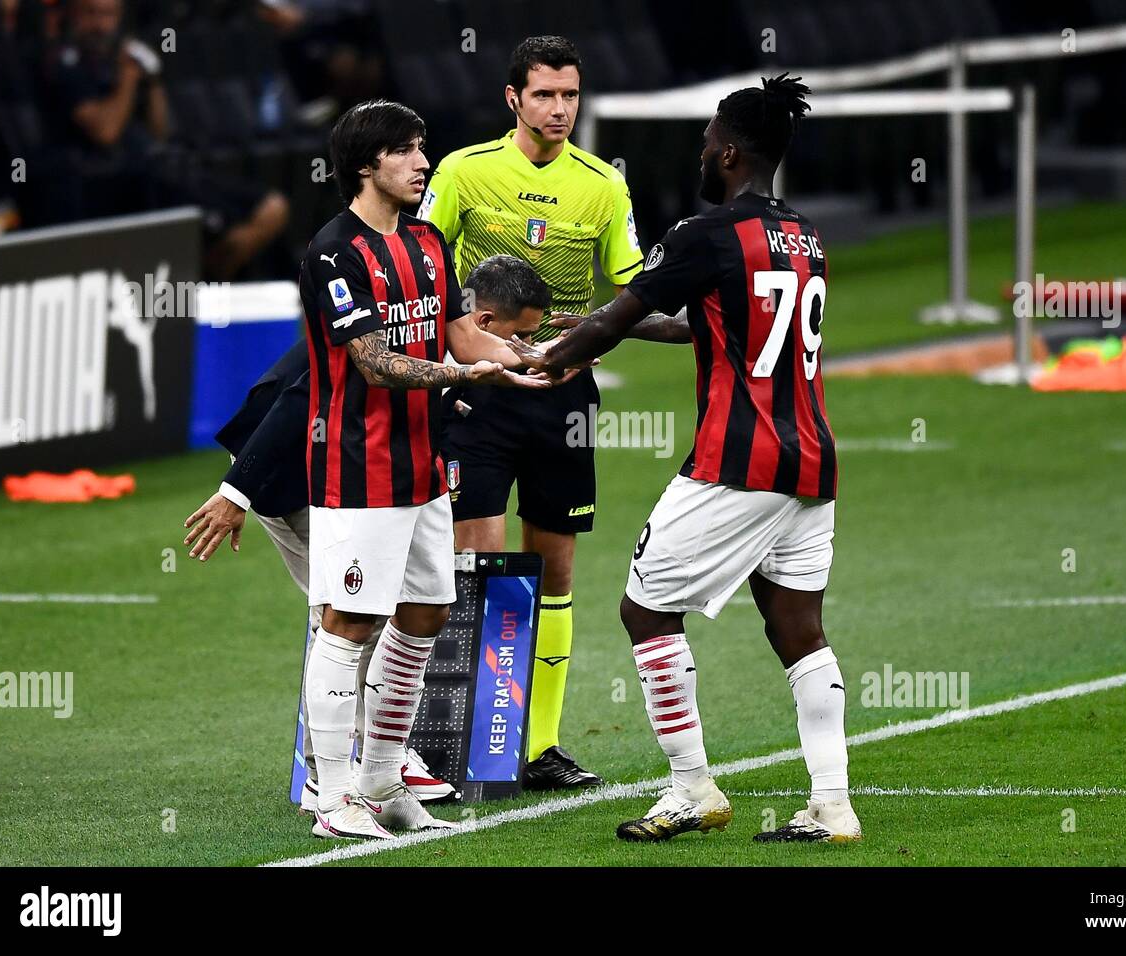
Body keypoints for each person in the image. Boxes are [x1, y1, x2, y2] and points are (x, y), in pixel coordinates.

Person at [511, 75, 862, 844]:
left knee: (644, 609)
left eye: (709, 140)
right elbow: (711, 325)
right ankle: (833, 805)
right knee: (797, 626)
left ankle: (690, 788)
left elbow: (619, 314)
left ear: (730, 151)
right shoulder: (805, 236)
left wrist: (543, 358)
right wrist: (602, 327)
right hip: (811, 460)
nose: (702, 152)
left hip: (738, 461)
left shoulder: (705, 233)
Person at [420, 35, 684, 790]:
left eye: (570, 95)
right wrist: (475, 344)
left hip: (562, 398)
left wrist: (616, 331)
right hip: (478, 394)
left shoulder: (603, 185)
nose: (560, 109)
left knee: (554, 573)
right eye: (544, 94)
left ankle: (537, 747)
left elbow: (636, 291)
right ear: (514, 98)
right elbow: (425, 272)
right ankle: (459, 747)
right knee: (478, 565)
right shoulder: (464, 173)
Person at [297, 98, 550, 839]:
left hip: (423, 464)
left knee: (428, 611)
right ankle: (334, 796)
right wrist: (460, 376)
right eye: (407, 151)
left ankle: (381, 782)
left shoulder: (429, 242)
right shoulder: (334, 253)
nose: (422, 162)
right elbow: (374, 363)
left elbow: (457, 331)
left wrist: (519, 360)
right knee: (347, 623)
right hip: (356, 466)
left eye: (422, 148)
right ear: (367, 164)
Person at [182, 340, 457, 810]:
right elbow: (288, 408)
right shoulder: (391, 333)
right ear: (484, 321)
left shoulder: (439, 333)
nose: (522, 347)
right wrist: (238, 492)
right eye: (522, 336)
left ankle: (379, 763)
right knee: (345, 614)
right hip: (282, 471)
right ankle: (324, 775)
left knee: (370, 611)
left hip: (349, 468)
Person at [47, 0, 289, 277]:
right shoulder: (67, 63)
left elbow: (159, 131)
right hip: (118, 184)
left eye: (108, 15)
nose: (100, 25)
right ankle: (204, 282)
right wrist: (128, 77)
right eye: (91, 14)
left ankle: (211, 275)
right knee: (241, 223)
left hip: (162, 171)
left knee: (272, 208)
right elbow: (106, 132)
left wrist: (152, 81)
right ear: (73, 16)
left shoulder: (119, 60)